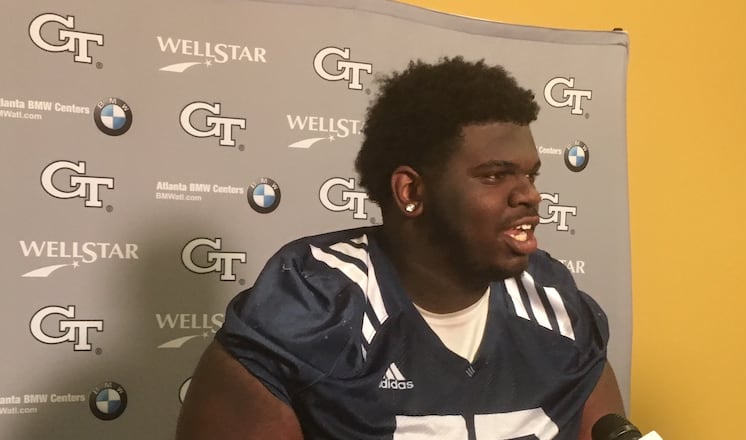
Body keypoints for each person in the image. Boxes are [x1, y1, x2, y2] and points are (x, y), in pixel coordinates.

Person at [176, 57, 624, 440]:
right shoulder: (309, 314)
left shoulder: (557, 310)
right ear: (410, 190)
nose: (529, 195)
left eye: (531, 175)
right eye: (494, 175)